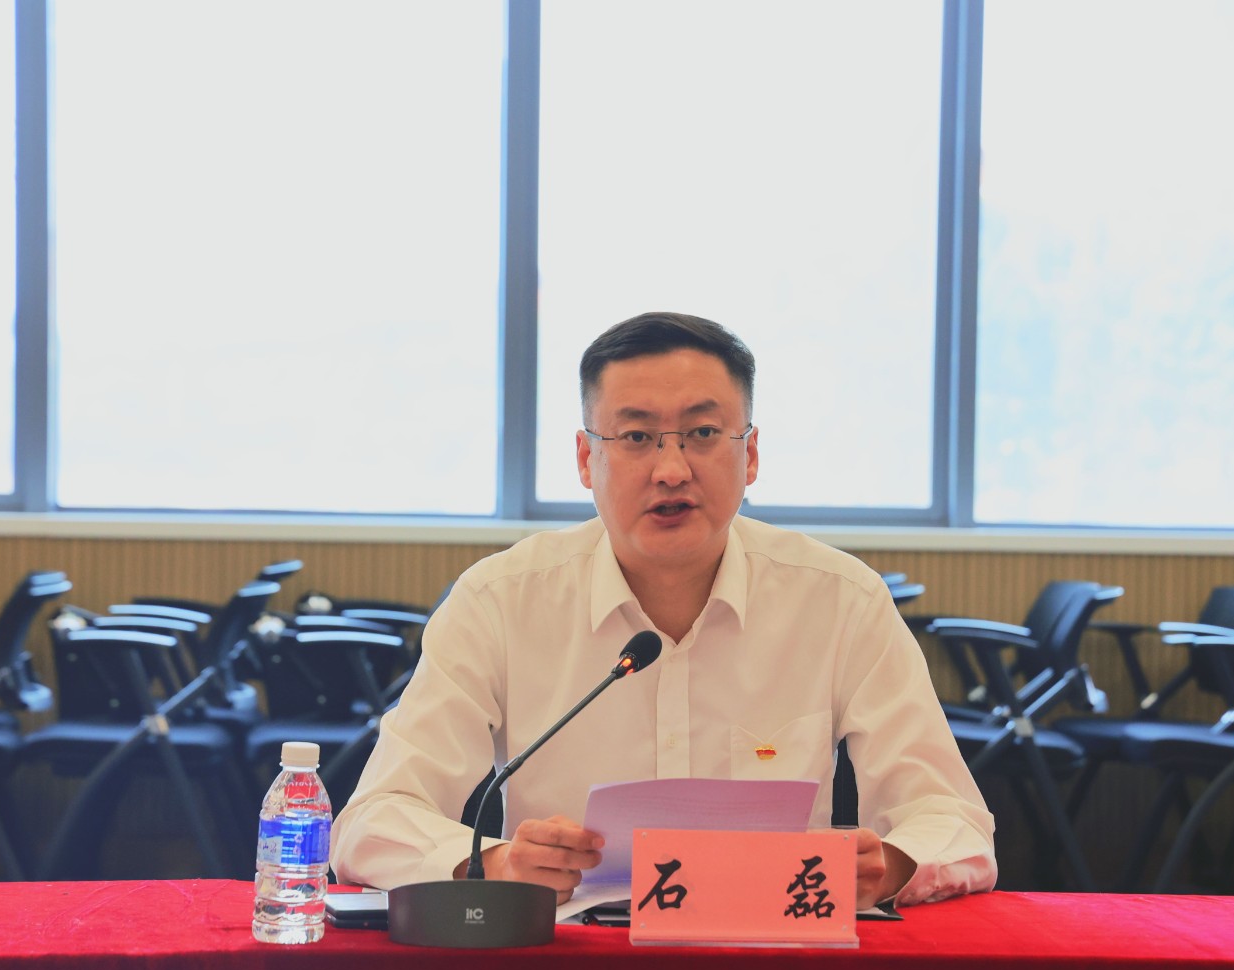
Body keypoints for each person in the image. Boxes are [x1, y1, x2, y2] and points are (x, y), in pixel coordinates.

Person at [331, 311, 996, 908]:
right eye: (637, 436)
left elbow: (954, 818)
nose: (671, 469)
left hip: (774, 961)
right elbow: (373, 819)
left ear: (750, 453)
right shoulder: (499, 601)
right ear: (587, 458)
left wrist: (892, 863)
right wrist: (495, 863)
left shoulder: (840, 600)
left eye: (702, 432)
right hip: (568, 967)